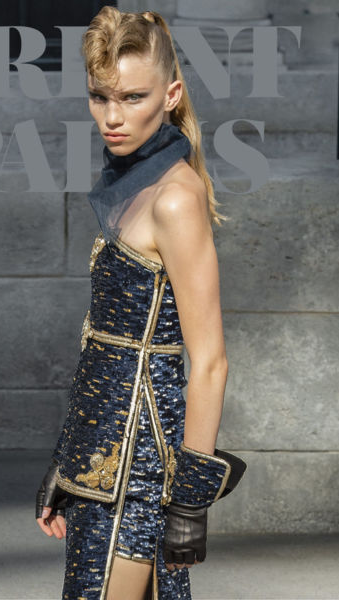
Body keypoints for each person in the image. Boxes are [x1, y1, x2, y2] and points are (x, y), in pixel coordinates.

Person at [35, 7, 246, 600]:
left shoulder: (176, 198)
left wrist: (190, 503)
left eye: (132, 97)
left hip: (143, 471)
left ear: (171, 95)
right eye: (99, 97)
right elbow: (105, 344)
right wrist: (68, 459)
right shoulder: (129, 182)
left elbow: (209, 361)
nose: (112, 117)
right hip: (101, 452)